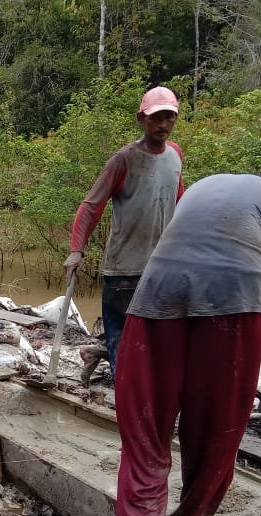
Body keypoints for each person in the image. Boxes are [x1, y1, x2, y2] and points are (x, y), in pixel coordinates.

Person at [113, 172, 261, 516]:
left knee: (145, 425)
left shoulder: (212, 183)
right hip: (234, 295)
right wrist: (251, 308)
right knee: (216, 421)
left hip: (158, 286)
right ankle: (192, 515)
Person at [65, 86, 185, 378]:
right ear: (141, 119)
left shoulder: (175, 154)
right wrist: (76, 250)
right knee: (123, 341)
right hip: (124, 271)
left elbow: (179, 199)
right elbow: (92, 206)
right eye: (156, 118)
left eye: (169, 117)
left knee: (158, 338)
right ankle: (123, 401)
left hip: (162, 266)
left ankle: (114, 370)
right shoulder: (124, 160)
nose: (163, 124)